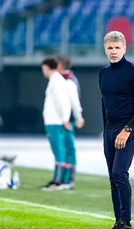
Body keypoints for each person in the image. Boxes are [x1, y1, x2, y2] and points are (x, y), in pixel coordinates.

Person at [99, 31, 134, 229]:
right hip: (109, 131)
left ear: (124, 48)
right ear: (105, 49)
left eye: (117, 47)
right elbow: (105, 103)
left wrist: (127, 130)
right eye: (110, 48)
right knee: (113, 178)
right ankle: (118, 222)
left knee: (120, 173)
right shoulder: (103, 73)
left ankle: (127, 226)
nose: (113, 51)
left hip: (128, 130)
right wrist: (106, 131)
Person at [40, 57, 72, 191]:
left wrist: (64, 118)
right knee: (60, 150)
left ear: (46, 68)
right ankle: (60, 179)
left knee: (58, 151)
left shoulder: (56, 81)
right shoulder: (58, 80)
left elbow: (62, 101)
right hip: (55, 121)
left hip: (55, 121)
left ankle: (57, 181)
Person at [56, 56, 85, 189]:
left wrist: (78, 117)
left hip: (68, 120)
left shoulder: (69, 81)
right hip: (64, 120)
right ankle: (62, 179)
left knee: (68, 148)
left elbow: (74, 102)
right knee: (63, 148)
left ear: (61, 66)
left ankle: (68, 179)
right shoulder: (66, 79)